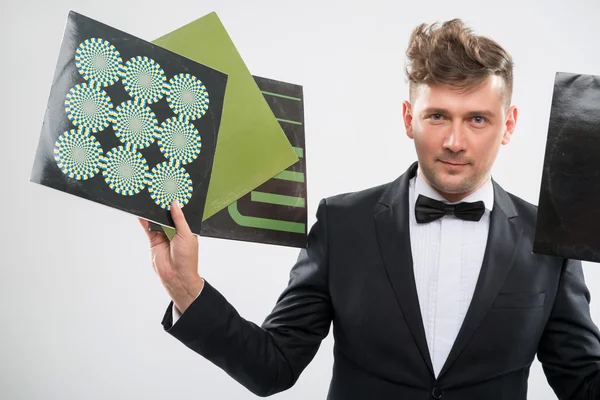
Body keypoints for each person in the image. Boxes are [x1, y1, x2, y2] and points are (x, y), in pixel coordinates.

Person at [139, 18, 600, 400]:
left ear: (509, 125)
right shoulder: (342, 225)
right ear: (408, 119)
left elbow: (583, 384)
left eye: (477, 119)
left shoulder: (550, 239)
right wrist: (186, 288)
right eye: (437, 116)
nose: (455, 142)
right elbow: (272, 367)